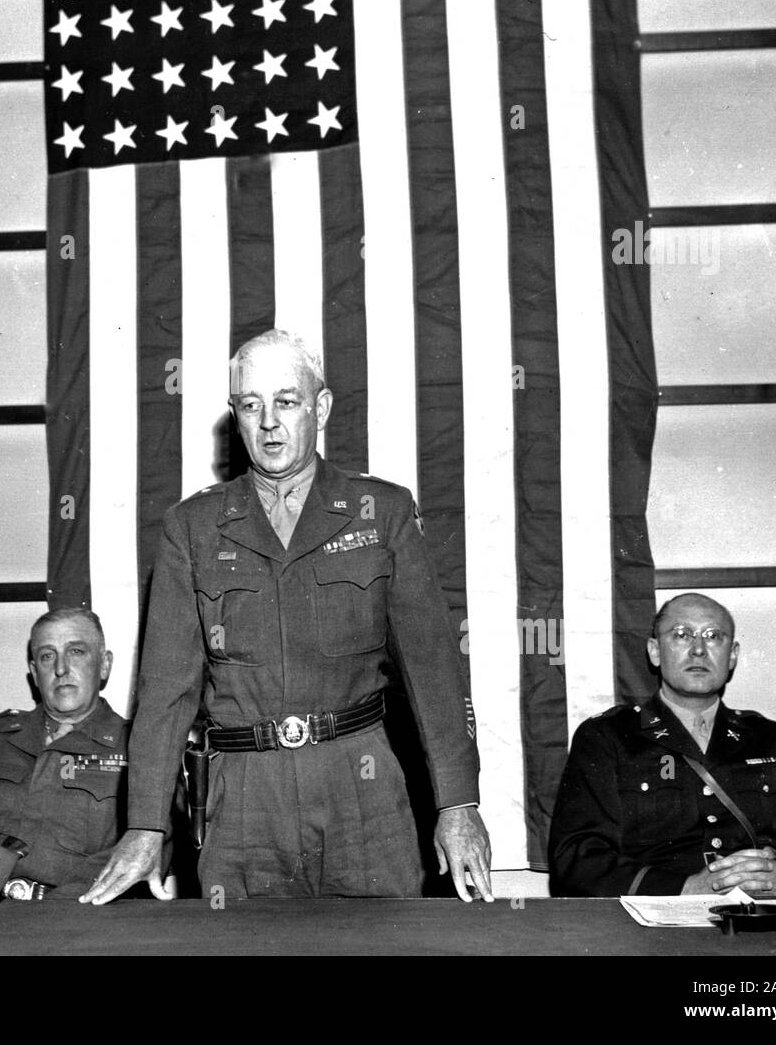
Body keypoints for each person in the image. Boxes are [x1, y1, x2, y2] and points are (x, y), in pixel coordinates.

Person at [84, 329, 490, 902]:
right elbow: (166, 693)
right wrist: (146, 824)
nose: (269, 422)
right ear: (235, 416)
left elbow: (435, 675)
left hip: (362, 789)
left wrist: (458, 805)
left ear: (320, 407)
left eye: (286, 401)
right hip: (245, 798)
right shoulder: (192, 529)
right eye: (250, 405)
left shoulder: (382, 513)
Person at [549, 592, 776, 897]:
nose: (698, 650)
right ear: (655, 651)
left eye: (714, 636)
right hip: (651, 930)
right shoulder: (608, 736)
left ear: (733, 655)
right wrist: (683, 889)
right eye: (682, 634)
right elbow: (575, 858)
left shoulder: (772, 739)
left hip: (762, 919)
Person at [0, 608, 134, 899]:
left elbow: (141, 851)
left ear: (105, 664)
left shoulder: (137, 748)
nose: (61, 668)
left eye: (76, 651)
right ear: (35, 673)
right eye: (48, 656)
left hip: (81, 919)